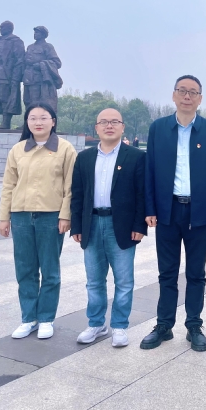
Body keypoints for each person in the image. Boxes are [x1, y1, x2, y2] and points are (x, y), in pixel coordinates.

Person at [141, 75, 206, 352]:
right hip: (167, 211)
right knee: (167, 272)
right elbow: (149, 171)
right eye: (182, 91)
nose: (187, 96)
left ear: (200, 99)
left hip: (199, 212)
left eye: (193, 92)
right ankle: (164, 325)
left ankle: (194, 325)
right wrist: (150, 208)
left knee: (196, 272)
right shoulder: (158, 128)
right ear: (174, 95)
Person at [0, 103, 77, 340]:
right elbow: (8, 185)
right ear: (27, 122)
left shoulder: (65, 149)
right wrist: (4, 217)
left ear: (53, 121)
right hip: (21, 216)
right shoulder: (18, 150)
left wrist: (65, 215)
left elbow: (71, 186)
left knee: (50, 270)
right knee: (25, 269)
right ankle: (28, 318)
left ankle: (46, 319)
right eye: (33, 118)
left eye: (43, 117)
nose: (38, 122)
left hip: (50, 216)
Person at [71, 108, 146, 348]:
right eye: (103, 122)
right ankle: (96, 323)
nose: (109, 126)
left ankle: (120, 326)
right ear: (96, 128)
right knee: (94, 280)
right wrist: (76, 225)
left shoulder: (136, 157)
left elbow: (142, 194)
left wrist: (139, 225)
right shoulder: (84, 158)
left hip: (121, 225)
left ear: (123, 127)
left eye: (114, 122)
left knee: (124, 281)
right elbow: (77, 194)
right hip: (92, 223)